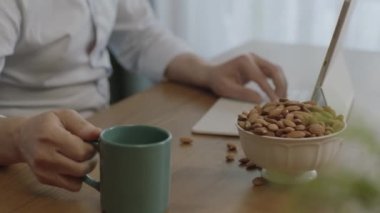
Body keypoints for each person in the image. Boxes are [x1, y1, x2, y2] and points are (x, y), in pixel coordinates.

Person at [0, 0, 287, 191]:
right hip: (18, 166)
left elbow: (141, 36)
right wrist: (17, 138)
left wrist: (207, 71)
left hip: (96, 144)